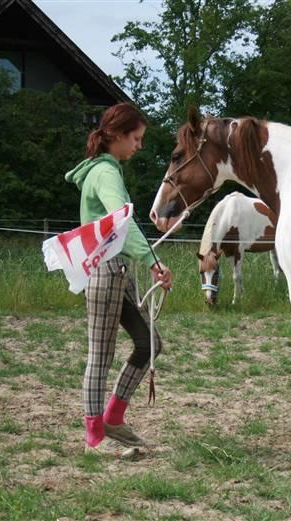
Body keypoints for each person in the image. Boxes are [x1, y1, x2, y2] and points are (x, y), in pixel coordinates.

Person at [65, 102, 172, 458]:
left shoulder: (107, 170)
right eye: (136, 138)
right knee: (101, 354)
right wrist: (153, 260)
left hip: (117, 274)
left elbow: (121, 223)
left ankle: (112, 417)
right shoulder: (106, 174)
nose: (139, 145)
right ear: (117, 136)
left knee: (149, 343)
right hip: (106, 272)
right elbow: (119, 222)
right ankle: (94, 435)